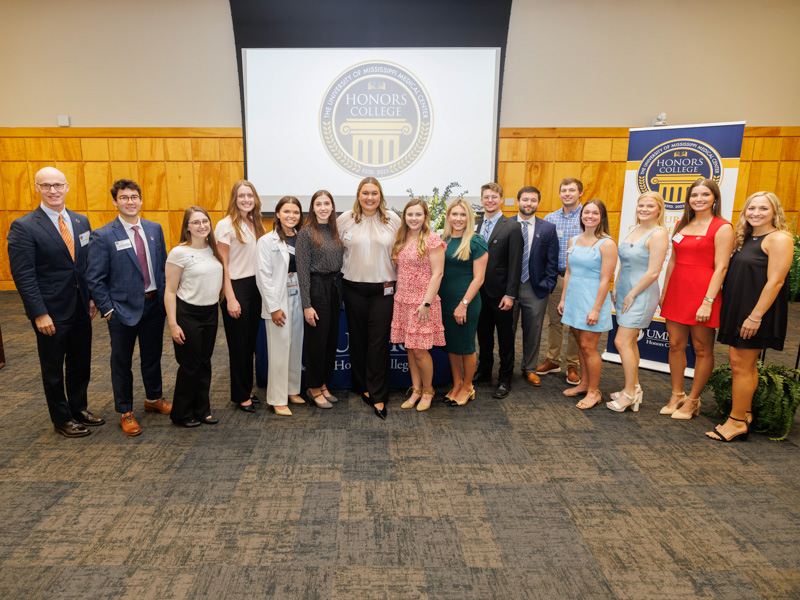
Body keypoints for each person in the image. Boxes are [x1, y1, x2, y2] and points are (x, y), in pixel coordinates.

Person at [8, 166, 103, 438]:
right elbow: (24, 276)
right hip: (51, 312)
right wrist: (39, 314)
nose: (53, 191)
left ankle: (78, 408)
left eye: (58, 185)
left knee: (80, 362)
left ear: (67, 187)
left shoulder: (81, 221)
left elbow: (84, 265)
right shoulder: (24, 226)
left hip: (81, 307)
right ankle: (61, 418)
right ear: (37, 188)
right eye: (46, 186)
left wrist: (92, 297)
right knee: (53, 368)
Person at [86, 179, 170, 436]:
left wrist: (165, 301)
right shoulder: (103, 235)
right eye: (124, 198)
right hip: (121, 311)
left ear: (141, 200)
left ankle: (154, 399)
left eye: (134, 197)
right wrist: (108, 310)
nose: (130, 202)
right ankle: (125, 411)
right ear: (115, 202)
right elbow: (94, 278)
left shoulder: (154, 228)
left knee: (152, 357)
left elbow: (162, 267)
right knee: (121, 362)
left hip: (154, 305)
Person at [706, 192, 792, 442]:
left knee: (740, 365)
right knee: (745, 365)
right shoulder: (748, 238)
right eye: (751, 208)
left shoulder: (778, 239)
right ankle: (744, 414)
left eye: (763, 208)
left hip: (756, 312)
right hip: (741, 309)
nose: (756, 213)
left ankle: (735, 422)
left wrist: (755, 316)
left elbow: (776, 282)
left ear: (775, 212)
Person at [660, 178, 733, 420]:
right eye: (694, 195)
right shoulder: (683, 224)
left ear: (715, 198)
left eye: (705, 195)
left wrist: (708, 301)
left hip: (703, 294)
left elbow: (721, 267)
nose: (699, 199)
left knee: (702, 349)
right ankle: (677, 394)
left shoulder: (722, 227)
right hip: (677, 292)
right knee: (675, 345)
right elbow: (672, 261)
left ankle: (693, 400)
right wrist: (664, 291)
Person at [337, 177, 401, 419]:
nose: (370, 197)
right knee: (358, 339)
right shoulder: (344, 219)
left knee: (377, 341)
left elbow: (401, 251)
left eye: (374, 193)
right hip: (352, 287)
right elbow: (337, 252)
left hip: (383, 289)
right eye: (365, 193)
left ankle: (378, 395)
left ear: (380, 196)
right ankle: (361, 385)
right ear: (358, 195)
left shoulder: (393, 219)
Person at [606, 192, 669, 412]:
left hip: (641, 294)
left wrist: (632, 294)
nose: (643, 209)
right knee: (630, 343)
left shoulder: (659, 234)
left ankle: (630, 394)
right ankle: (634, 387)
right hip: (624, 291)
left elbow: (653, 272)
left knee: (621, 342)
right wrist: (617, 287)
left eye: (649, 206)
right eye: (641, 205)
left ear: (659, 209)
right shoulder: (635, 229)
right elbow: (624, 262)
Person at [164, 206, 224, 427]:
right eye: (196, 222)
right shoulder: (179, 252)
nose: (202, 226)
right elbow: (170, 291)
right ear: (187, 227)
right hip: (187, 313)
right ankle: (181, 414)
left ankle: (202, 410)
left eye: (205, 221)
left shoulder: (212, 248)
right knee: (189, 366)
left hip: (210, 312)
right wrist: (173, 324)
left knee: (204, 362)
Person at [557, 199, 617, 409]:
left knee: (588, 347)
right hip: (574, 299)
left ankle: (594, 391)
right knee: (580, 346)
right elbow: (569, 272)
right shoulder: (573, 240)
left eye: (595, 213)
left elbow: (605, 280)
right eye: (586, 212)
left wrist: (597, 309)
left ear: (602, 217)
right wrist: (564, 299)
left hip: (593, 301)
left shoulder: (607, 243)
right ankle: (583, 383)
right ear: (581, 216)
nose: (590, 216)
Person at [391, 199, 447, 411]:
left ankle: (428, 391)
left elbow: (438, 274)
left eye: (418, 214)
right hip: (403, 301)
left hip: (423, 303)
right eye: (410, 214)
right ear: (405, 216)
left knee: (421, 351)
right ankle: (415, 390)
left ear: (425, 217)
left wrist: (426, 303)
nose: (413, 218)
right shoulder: (402, 238)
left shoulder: (432, 240)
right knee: (410, 349)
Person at [216, 180, 266, 414]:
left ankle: (246, 388)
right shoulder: (225, 225)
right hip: (235, 287)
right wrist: (230, 297)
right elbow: (222, 265)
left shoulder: (255, 222)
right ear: (234, 199)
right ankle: (240, 395)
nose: (246, 200)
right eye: (241, 196)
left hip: (255, 287)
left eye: (250, 195)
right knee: (238, 345)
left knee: (249, 344)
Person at [472, 182, 523, 399]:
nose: (490, 201)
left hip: (502, 294)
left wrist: (510, 294)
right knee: (483, 335)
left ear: (501, 199)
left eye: (494, 197)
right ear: (481, 200)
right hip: (478, 292)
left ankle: (505, 378)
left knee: (505, 338)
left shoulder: (511, 227)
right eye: (486, 197)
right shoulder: (474, 223)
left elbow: (515, 264)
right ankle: (484, 371)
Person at [255, 196, 305, 415]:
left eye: (295, 212)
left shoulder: (302, 238)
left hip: (299, 296)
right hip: (278, 298)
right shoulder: (266, 241)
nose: (291, 216)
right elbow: (263, 277)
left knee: (296, 344)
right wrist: (273, 307)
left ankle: (292, 390)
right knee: (280, 347)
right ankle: (277, 398)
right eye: (286, 211)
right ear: (277, 213)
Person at [296, 190, 344, 409]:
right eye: (319, 204)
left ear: (332, 207)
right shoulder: (305, 233)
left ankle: (323, 382)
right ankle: (313, 387)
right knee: (317, 342)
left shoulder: (335, 231)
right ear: (312, 208)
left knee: (330, 341)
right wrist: (307, 305)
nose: (323, 207)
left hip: (334, 288)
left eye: (327, 203)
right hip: (316, 288)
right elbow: (303, 272)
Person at [440, 199, 488, 407]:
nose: (458, 219)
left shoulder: (476, 242)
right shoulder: (443, 240)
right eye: (455, 214)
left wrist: (464, 303)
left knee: (466, 346)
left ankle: (468, 387)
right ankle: (457, 383)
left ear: (469, 218)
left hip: (465, 301)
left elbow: (479, 278)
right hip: (445, 301)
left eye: (463, 215)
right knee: (452, 345)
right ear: (448, 217)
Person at [510, 186, 559, 387]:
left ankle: (529, 368)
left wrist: (548, 285)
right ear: (518, 201)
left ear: (538, 203)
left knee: (534, 330)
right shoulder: (507, 224)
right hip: (509, 289)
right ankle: (507, 367)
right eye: (525, 200)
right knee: (507, 330)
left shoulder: (547, 228)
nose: (529, 204)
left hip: (535, 287)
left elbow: (552, 261)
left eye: (533, 200)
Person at [539, 178, 584, 385]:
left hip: (580, 279)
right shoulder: (550, 218)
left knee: (576, 323)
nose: (567, 193)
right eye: (564, 190)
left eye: (572, 190)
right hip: (557, 277)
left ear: (580, 193)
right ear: (559, 194)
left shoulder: (588, 216)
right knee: (555, 321)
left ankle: (572, 364)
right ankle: (553, 359)